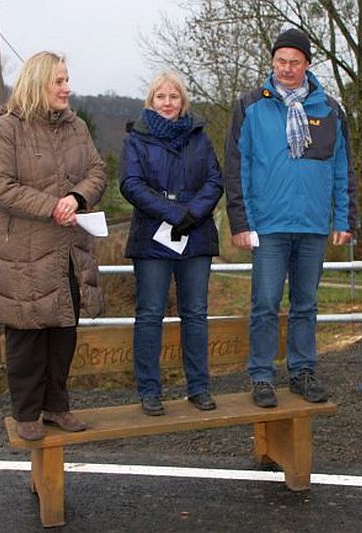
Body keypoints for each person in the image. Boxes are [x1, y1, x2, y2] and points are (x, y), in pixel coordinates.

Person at [224, 28, 357, 408]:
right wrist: (240, 221)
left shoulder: (329, 109)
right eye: (280, 61)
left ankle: (302, 371)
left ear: (307, 64)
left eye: (294, 62)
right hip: (267, 226)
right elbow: (237, 166)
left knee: (306, 304)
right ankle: (262, 376)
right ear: (272, 62)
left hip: (313, 226)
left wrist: (344, 218)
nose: (286, 68)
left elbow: (342, 167)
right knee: (265, 303)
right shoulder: (250, 105)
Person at [0, 51, 107, 441]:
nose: (67, 88)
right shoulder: (4, 130)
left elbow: (97, 171)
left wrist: (76, 196)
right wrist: (51, 206)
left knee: (64, 330)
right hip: (22, 252)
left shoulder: (76, 127)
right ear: (38, 84)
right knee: (27, 333)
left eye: (67, 80)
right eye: (59, 82)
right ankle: (27, 412)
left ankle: (56, 406)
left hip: (69, 248)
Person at [120, 71, 223, 416]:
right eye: (161, 97)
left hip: (196, 235)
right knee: (150, 314)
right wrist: (173, 213)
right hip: (152, 237)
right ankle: (150, 390)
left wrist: (192, 214)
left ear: (183, 101)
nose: (167, 103)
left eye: (173, 97)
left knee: (195, 313)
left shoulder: (200, 137)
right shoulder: (137, 138)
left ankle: (199, 387)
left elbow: (214, 180)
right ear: (152, 101)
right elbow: (131, 184)